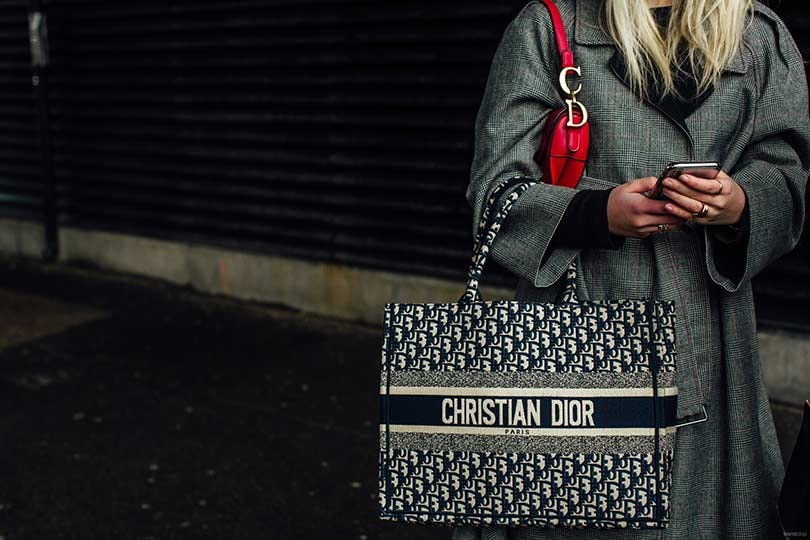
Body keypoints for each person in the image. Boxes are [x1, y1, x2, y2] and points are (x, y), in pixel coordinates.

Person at [453, 0, 810, 538]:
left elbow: (787, 171)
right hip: (576, 334)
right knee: (575, 515)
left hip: (713, 338)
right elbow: (493, 192)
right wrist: (598, 213)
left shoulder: (757, 33)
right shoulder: (550, 28)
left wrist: (740, 202)